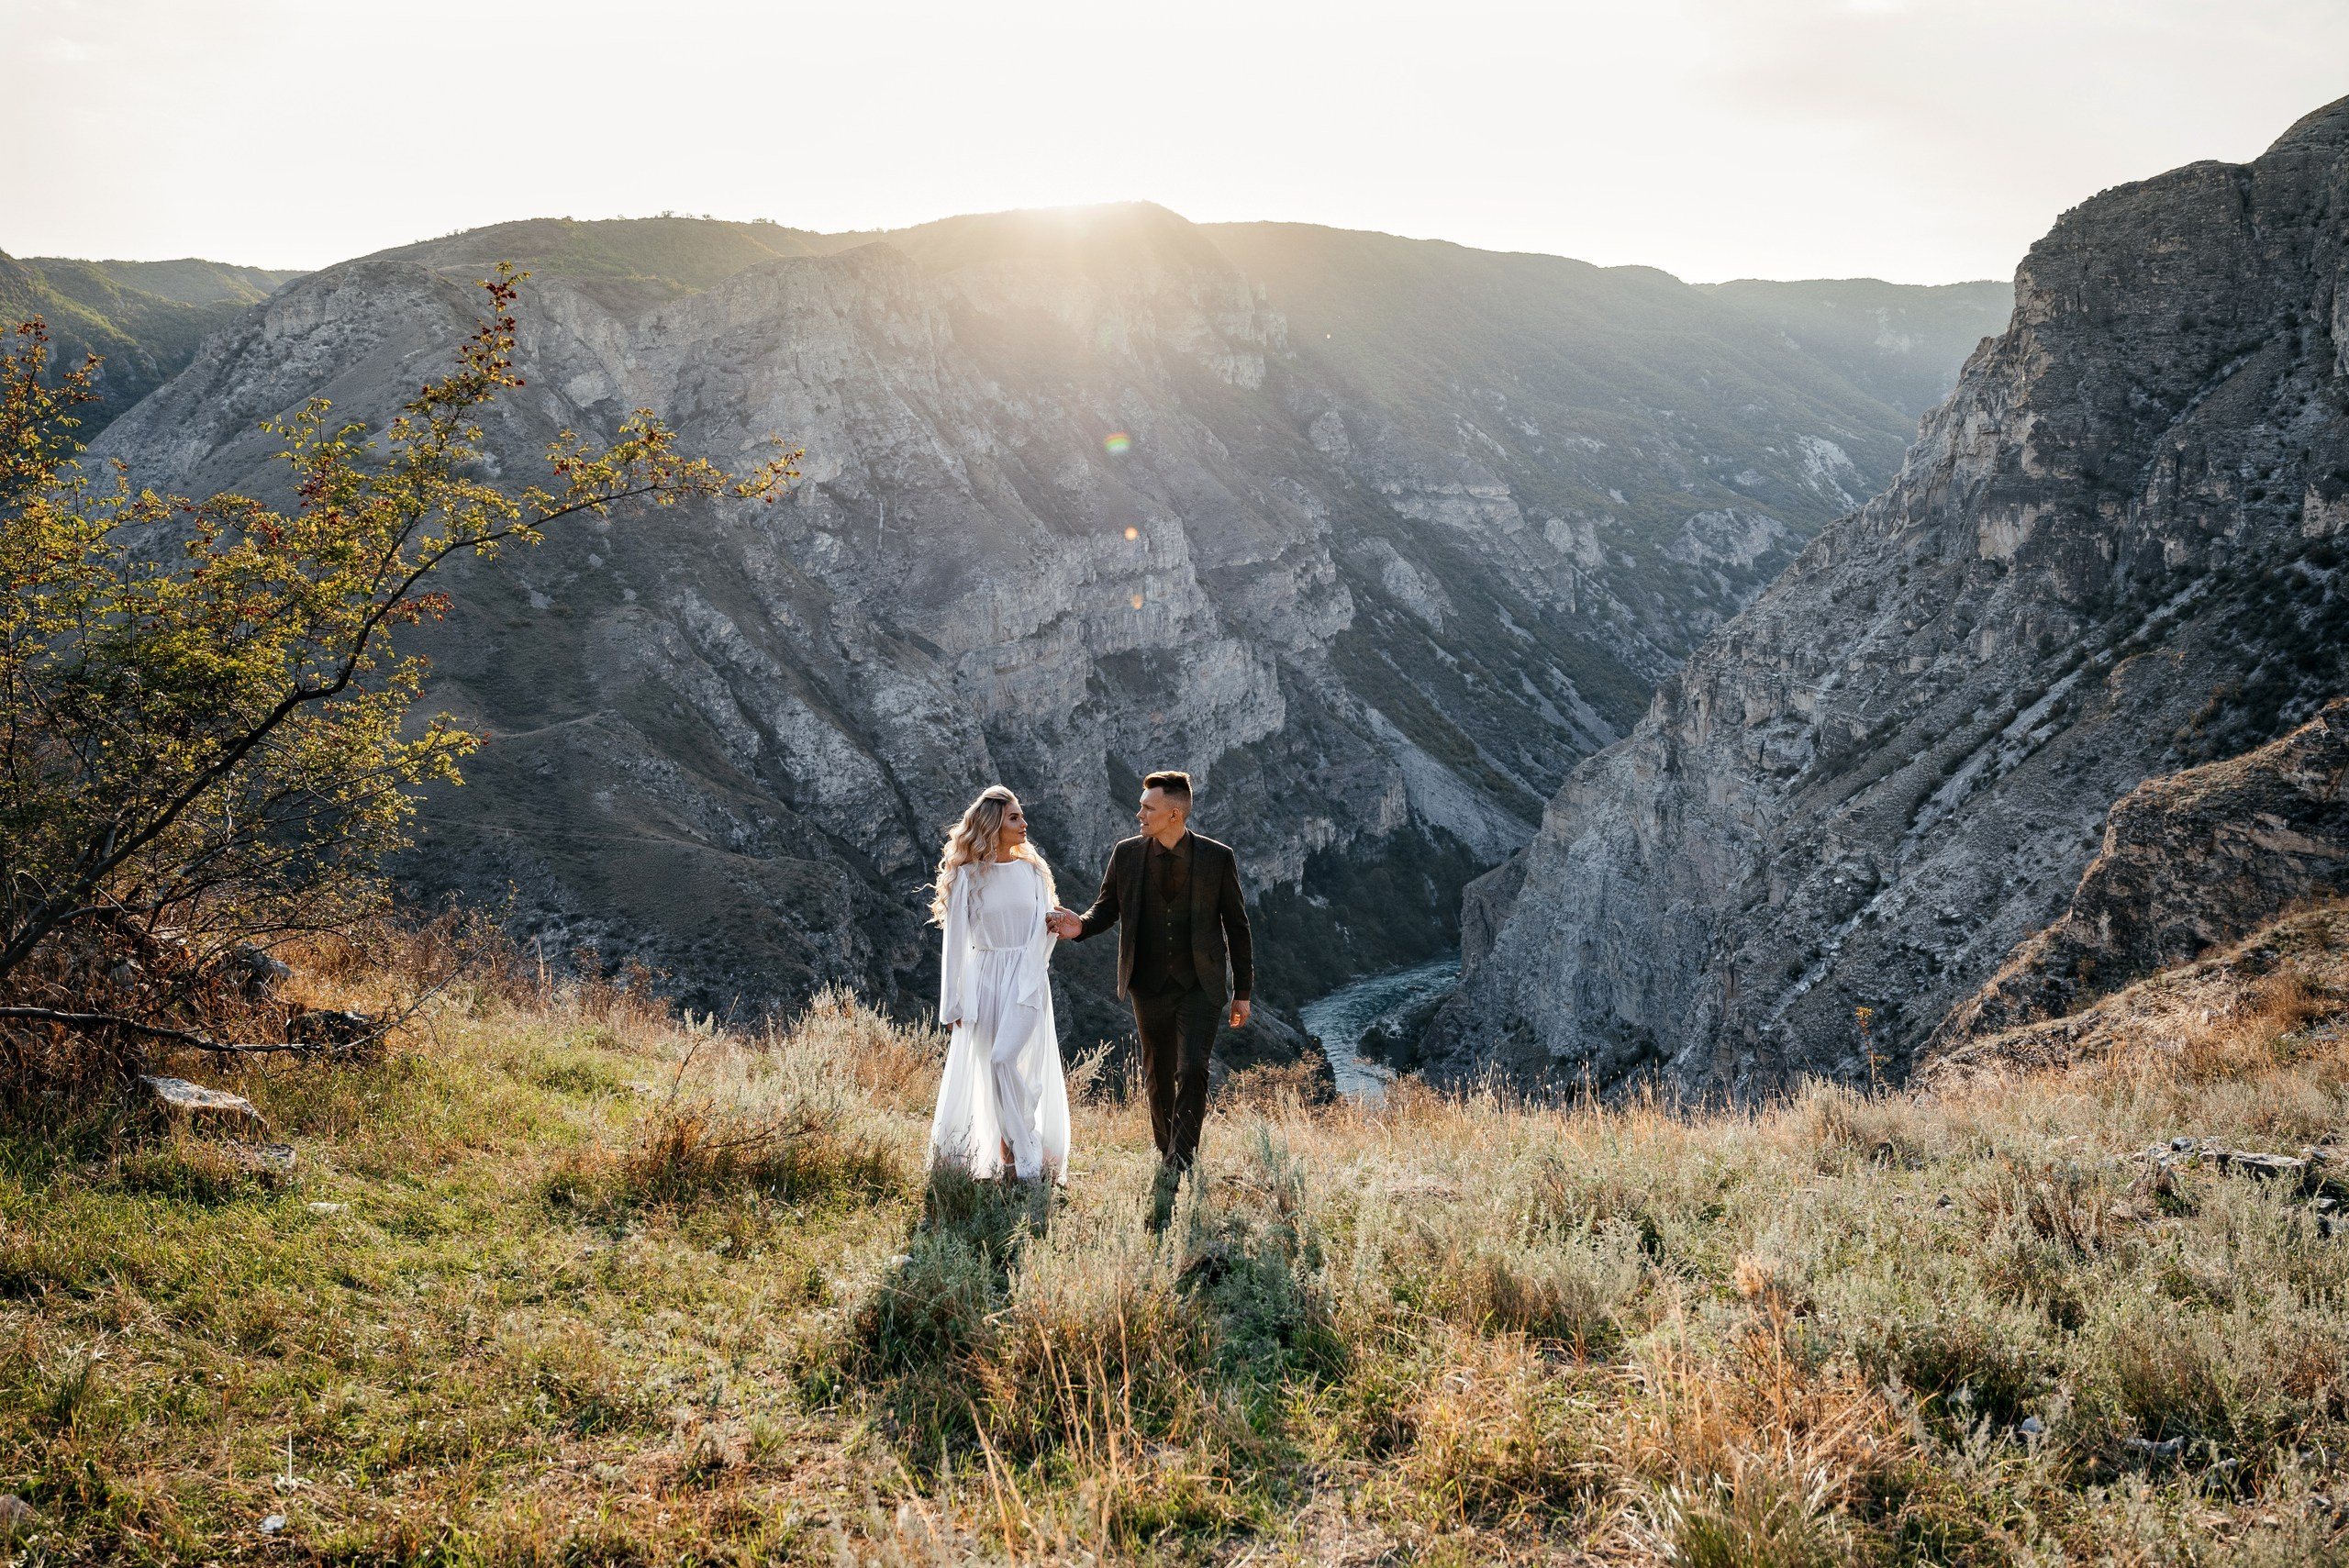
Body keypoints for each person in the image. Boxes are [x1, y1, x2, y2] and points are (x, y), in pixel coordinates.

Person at [1047, 771, 1252, 1179]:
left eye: (1147, 807)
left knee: (1193, 1068)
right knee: (1157, 1074)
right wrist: (1081, 926)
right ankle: (1167, 1152)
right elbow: (1106, 908)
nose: (1138, 812)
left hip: (1201, 984)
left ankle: (1181, 1160)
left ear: (1174, 814)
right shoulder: (1126, 854)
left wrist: (1242, 991)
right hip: (1148, 984)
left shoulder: (1217, 858)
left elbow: (1237, 925)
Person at [928, 785, 1069, 1183]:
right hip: (986, 980)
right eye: (1014, 818)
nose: (1024, 824)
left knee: (1011, 1062)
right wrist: (953, 1003)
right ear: (993, 824)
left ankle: (1026, 1156)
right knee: (993, 1070)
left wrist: (1051, 937)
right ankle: (1010, 1162)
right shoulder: (967, 877)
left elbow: (1046, 926)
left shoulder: (1034, 871)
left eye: (1021, 816)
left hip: (1027, 977)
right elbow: (954, 942)